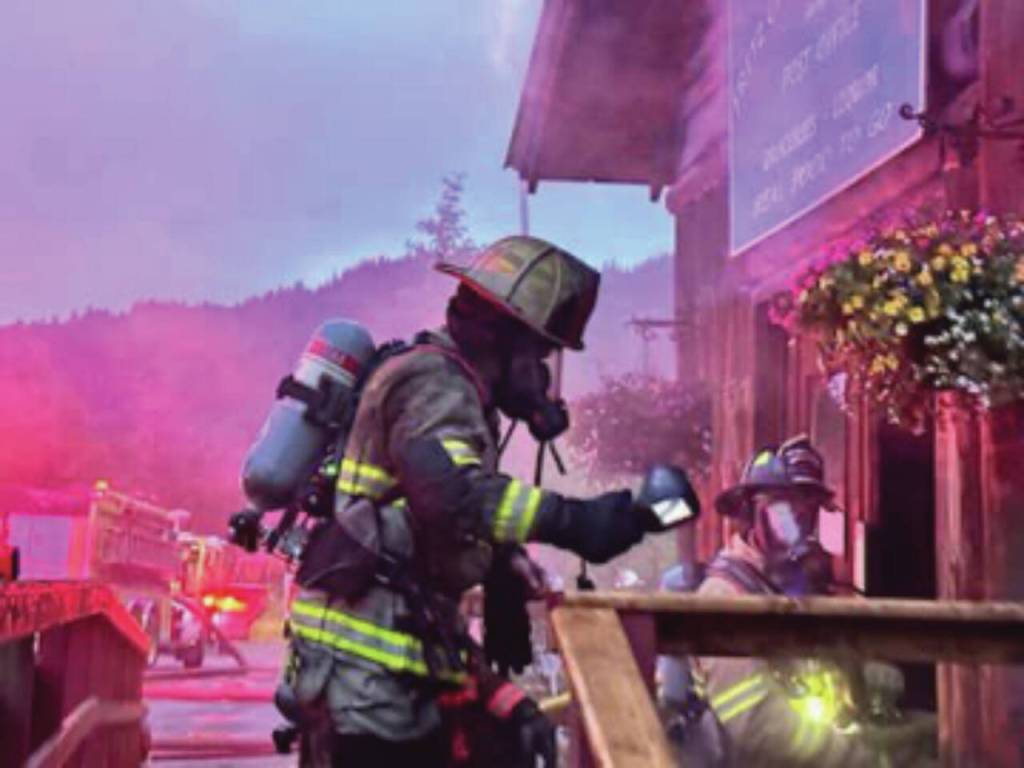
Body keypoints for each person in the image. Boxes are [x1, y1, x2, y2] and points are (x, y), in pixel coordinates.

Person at [281, 235, 688, 766]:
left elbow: (420, 557)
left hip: (381, 681)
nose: (542, 375)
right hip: (367, 691)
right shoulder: (435, 384)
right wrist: (583, 521)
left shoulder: (449, 387)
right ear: (504, 340)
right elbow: (452, 497)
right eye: (540, 354)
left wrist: (499, 570)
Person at [686, 434, 936, 767]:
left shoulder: (795, 586)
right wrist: (859, 760)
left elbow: (815, 672)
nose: (798, 525)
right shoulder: (724, 597)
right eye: (783, 510)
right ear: (748, 512)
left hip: (820, 747)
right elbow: (758, 727)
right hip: (765, 761)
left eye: (809, 510)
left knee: (937, 734)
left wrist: (863, 671)